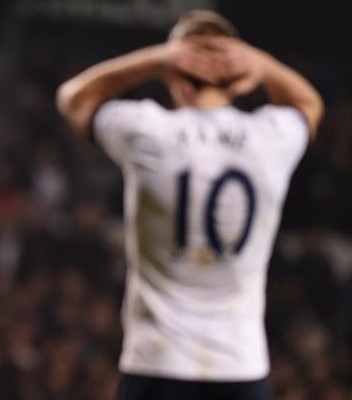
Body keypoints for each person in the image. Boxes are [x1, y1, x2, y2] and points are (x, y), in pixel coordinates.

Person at [56, 9, 323, 400]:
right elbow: (308, 106)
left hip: (156, 363)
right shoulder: (271, 137)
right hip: (240, 365)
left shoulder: (148, 131)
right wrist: (262, 65)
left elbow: (74, 98)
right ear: (238, 79)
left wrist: (155, 59)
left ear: (174, 76)